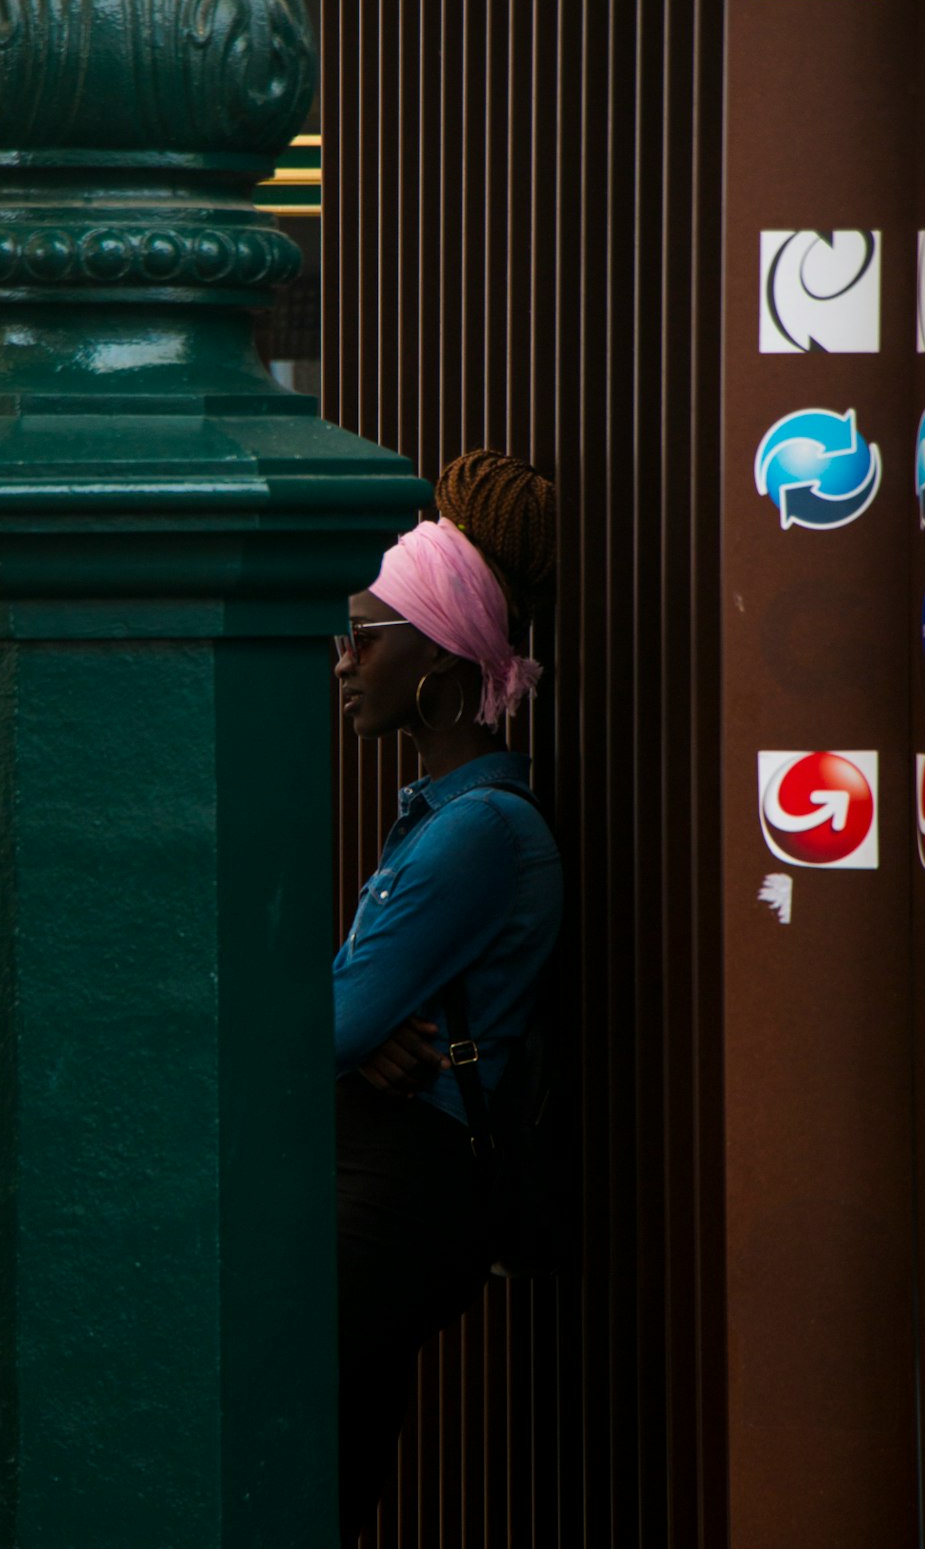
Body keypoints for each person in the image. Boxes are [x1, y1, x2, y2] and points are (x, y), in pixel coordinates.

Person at [333, 449, 563, 1542]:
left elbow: (335, 1022)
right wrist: (351, 1033)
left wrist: (349, 1034)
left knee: (315, 1444)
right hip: (383, 1168)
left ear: (432, 658)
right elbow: (347, 1023)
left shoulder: (478, 832)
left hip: (407, 1189)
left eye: (363, 638)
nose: (341, 660)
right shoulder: (440, 816)